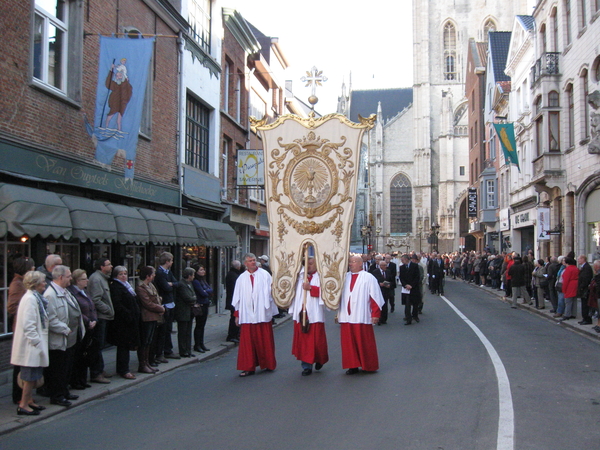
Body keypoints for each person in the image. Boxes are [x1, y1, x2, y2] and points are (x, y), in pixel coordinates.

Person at [232, 253, 279, 377]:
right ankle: (248, 366)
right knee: (247, 343)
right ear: (245, 263)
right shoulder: (241, 278)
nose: (253, 262)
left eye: (254, 260)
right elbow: (237, 298)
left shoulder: (265, 275)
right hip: (247, 314)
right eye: (250, 261)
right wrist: (237, 314)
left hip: (262, 313)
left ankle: (268, 363)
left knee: (265, 340)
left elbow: (272, 292)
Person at [11, 271, 49, 416]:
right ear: (36, 284)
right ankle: (23, 404)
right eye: (43, 282)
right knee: (28, 377)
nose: (45, 284)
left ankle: (30, 400)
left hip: (34, 345)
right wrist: (37, 343)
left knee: (34, 375)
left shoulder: (35, 298)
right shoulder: (29, 299)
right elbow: (29, 325)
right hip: (30, 346)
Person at [338, 255, 384, 374]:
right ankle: (352, 365)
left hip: (361, 313)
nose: (351, 264)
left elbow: (375, 297)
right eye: (350, 262)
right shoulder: (344, 277)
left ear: (360, 263)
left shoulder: (368, 278)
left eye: (353, 262)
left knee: (364, 342)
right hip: (346, 315)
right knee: (349, 343)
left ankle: (368, 365)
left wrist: (375, 314)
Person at [44, 265, 83, 407]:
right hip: (60, 339)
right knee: (58, 370)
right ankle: (57, 396)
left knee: (67, 368)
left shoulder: (65, 291)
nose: (71, 278)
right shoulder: (50, 294)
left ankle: (64, 391)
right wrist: (65, 329)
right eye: (68, 276)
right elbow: (51, 319)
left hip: (70, 339)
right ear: (60, 277)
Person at [289, 256, 329, 376]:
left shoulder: (322, 276)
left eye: (311, 264)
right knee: (304, 342)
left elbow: (327, 292)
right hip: (302, 313)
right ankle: (306, 365)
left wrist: (311, 288)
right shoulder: (299, 277)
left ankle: (320, 359)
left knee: (317, 341)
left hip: (315, 312)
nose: (309, 266)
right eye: (307, 264)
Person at [7, 256, 36, 404]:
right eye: (32, 267)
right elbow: (12, 307)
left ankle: (26, 396)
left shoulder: (22, 283)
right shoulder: (17, 284)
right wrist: (27, 309)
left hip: (25, 328)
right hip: (22, 330)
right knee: (20, 365)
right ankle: (19, 397)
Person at [108, 266, 141, 379]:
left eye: (125, 273)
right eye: (121, 274)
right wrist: (129, 315)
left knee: (126, 345)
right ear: (116, 276)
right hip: (123, 322)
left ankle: (124, 368)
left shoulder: (127, 286)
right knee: (123, 346)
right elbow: (118, 304)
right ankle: (123, 370)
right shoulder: (116, 287)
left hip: (130, 321)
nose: (124, 276)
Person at [67, 269, 97, 389]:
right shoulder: (73, 293)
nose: (87, 281)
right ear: (77, 281)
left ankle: (83, 379)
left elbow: (92, 307)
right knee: (78, 356)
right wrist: (88, 321)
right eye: (84, 279)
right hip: (81, 328)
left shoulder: (85, 292)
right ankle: (76, 381)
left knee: (86, 355)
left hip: (90, 327)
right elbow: (77, 311)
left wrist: (95, 319)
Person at [88, 257, 114, 384]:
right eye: (108, 264)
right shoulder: (96, 279)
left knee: (100, 345)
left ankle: (100, 369)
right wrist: (108, 310)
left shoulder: (102, 278)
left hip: (104, 316)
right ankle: (96, 372)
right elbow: (96, 299)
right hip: (100, 317)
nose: (111, 266)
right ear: (101, 267)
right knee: (97, 346)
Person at [136, 266, 164, 373]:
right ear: (147, 276)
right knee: (145, 341)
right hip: (147, 317)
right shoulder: (140, 288)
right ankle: (142, 364)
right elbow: (147, 303)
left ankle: (147, 362)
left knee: (149, 341)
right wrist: (160, 308)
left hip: (154, 316)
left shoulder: (151, 285)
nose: (154, 276)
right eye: (152, 274)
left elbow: (156, 297)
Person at [154, 252, 180, 361]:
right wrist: (171, 285)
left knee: (168, 329)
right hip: (164, 303)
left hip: (171, 303)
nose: (173, 262)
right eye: (171, 260)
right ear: (167, 261)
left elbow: (177, 283)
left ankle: (168, 350)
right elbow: (166, 288)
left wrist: (172, 284)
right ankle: (160, 353)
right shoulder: (160, 273)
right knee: (163, 330)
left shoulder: (168, 272)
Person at [174, 268, 197, 358]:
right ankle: (183, 350)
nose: (194, 277)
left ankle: (188, 349)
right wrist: (193, 298)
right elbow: (187, 297)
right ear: (189, 275)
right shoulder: (182, 284)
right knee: (183, 332)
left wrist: (193, 298)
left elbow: (193, 295)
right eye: (193, 275)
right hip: (183, 311)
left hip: (189, 311)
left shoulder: (189, 284)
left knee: (188, 331)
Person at [191, 264, 212, 354]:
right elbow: (202, 293)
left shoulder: (203, 280)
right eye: (201, 270)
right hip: (200, 304)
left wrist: (206, 291)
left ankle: (201, 343)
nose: (203, 271)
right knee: (199, 325)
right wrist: (206, 291)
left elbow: (210, 290)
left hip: (205, 303)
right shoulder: (196, 281)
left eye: (203, 269)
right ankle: (197, 345)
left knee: (202, 325)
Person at [400, 254, 422, 324]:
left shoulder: (415, 266)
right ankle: (408, 318)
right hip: (406, 288)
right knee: (407, 303)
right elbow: (401, 277)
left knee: (415, 303)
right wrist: (405, 285)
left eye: (402, 259)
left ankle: (415, 315)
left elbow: (417, 277)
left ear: (406, 259)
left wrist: (411, 285)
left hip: (414, 287)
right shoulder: (402, 267)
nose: (401, 261)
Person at [224, 260, 242, 343]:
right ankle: (232, 335)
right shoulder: (234, 276)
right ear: (238, 267)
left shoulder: (231, 274)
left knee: (234, 317)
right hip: (234, 300)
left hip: (232, 299)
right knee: (234, 317)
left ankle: (234, 334)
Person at [372, 260, 393, 325]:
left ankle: (384, 319)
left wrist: (389, 285)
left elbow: (392, 280)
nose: (385, 267)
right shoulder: (375, 272)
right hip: (379, 290)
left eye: (386, 265)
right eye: (384, 265)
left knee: (385, 304)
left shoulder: (388, 271)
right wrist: (379, 284)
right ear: (380, 266)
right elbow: (373, 281)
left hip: (386, 290)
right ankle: (379, 318)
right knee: (379, 304)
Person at [560, 257, 579, 321]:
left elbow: (566, 280)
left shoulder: (568, 269)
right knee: (574, 300)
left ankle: (567, 314)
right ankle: (573, 313)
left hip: (570, 285)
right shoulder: (576, 268)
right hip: (575, 284)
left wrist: (564, 289)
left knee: (568, 301)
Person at [577, 255, 594, 325]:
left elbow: (586, 279)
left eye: (579, 259)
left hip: (585, 289)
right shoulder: (583, 267)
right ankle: (584, 318)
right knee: (583, 304)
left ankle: (587, 319)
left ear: (583, 259)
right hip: (582, 288)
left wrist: (581, 286)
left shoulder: (587, 267)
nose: (578, 261)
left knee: (585, 305)